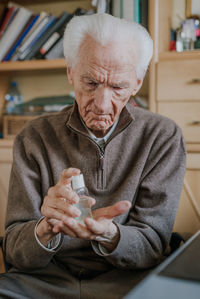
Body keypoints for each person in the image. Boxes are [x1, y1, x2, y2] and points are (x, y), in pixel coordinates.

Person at [0, 13, 186, 299]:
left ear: (137, 83)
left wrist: (109, 234)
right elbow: (15, 250)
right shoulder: (34, 137)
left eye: (118, 87)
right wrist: (46, 227)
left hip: (127, 281)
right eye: (90, 82)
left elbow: (152, 246)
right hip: (45, 280)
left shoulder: (162, 137)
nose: (101, 104)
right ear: (70, 73)